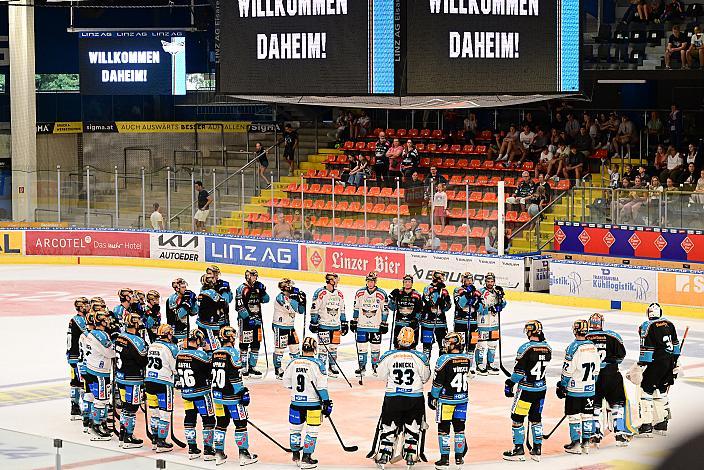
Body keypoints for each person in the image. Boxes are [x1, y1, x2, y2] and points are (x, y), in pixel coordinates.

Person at [375, 327, 431, 469]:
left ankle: (384, 453)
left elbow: (380, 375)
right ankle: (411, 454)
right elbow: (425, 377)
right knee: (413, 426)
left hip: (393, 397)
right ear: (413, 341)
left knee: (389, 426)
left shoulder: (388, 355)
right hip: (414, 397)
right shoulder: (420, 357)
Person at [503, 320, 552, 462]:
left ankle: (518, 449)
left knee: (517, 418)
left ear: (530, 332)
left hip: (526, 390)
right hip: (541, 389)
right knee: (536, 418)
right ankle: (537, 448)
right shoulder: (547, 348)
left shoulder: (525, 348)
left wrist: (510, 382)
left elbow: (518, 373)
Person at [630, 303, 680, 437]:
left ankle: (646, 425)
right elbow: (675, 345)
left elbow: (646, 348)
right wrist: (675, 362)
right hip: (669, 362)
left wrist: (641, 365)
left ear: (649, 313)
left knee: (645, 390)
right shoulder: (669, 324)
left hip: (655, 363)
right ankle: (661, 424)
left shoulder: (647, 325)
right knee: (661, 391)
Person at [282, 337, 332, 469]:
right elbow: (321, 387)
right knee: (312, 431)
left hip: (296, 403)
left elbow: (286, 383)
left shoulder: (293, 362)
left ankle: (296, 454)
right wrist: (327, 402)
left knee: (295, 430)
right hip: (313, 405)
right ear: (315, 349)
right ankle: (306, 457)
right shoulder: (318, 364)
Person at [212, 326, 257, 466]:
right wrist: (242, 391)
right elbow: (235, 376)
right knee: (240, 423)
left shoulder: (215, 353)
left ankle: (218, 453)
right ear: (231, 338)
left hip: (218, 396)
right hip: (232, 397)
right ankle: (244, 454)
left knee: (221, 423)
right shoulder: (233, 353)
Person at [585, 313, 630, 447]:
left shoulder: (585, 338)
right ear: (601, 324)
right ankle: (620, 433)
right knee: (617, 404)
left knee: (595, 406)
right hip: (611, 374)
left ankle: (595, 433)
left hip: (593, 377)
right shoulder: (613, 336)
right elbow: (621, 357)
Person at [556, 319, 600, 455]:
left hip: (575, 389)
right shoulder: (593, 346)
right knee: (587, 415)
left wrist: (562, 385)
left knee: (574, 416)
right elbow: (597, 370)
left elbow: (567, 370)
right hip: (589, 388)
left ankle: (576, 443)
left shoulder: (573, 347)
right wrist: (592, 384)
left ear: (575, 330)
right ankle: (586, 443)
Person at [429, 332, 471, 469]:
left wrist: (433, 396)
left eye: (448, 342)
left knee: (444, 429)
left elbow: (437, 384)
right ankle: (459, 459)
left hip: (446, 400)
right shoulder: (467, 358)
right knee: (459, 428)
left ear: (454, 344)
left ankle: (444, 459)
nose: (446, 345)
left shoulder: (443, 359)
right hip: (462, 399)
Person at [176, 330, 216, 461]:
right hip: (202, 393)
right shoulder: (200, 355)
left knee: (190, 418)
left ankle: (192, 448)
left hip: (187, 394)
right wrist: (210, 351)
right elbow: (211, 368)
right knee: (208, 420)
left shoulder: (180, 354)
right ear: (198, 340)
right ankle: (208, 450)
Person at [81, 304, 116, 441]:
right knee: (101, 400)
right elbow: (110, 352)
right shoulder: (100, 335)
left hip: (92, 368)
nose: (108, 321)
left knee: (99, 398)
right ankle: (95, 426)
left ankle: (99, 423)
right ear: (101, 321)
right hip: (99, 372)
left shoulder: (91, 334)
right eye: (106, 319)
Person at [115, 312, 149, 448]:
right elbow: (143, 360)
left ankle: (123, 435)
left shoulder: (120, 337)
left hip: (120, 377)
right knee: (132, 407)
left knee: (125, 406)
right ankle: (128, 437)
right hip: (132, 379)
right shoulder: (137, 341)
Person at [145, 324, 179, 452]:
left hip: (149, 381)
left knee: (154, 411)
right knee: (165, 412)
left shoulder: (152, 345)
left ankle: (154, 438)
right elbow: (175, 368)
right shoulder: (171, 348)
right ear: (168, 334)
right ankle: (161, 441)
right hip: (163, 382)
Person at [351, 271, 390, 376]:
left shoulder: (381, 293)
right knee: (361, 347)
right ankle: (362, 366)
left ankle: (375, 365)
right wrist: (354, 320)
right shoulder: (360, 292)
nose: (370, 283)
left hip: (376, 325)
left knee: (375, 347)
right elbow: (356, 307)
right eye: (368, 281)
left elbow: (385, 310)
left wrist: (384, 322)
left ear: (375, 281)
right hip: (362, 325)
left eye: (372, 281)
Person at [310, 273, 348, 377]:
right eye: (336, 280)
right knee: (323, 349)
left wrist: (344, 322)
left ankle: (332, 366)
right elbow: (314, 308)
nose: (337, 282)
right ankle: (321, 367)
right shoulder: (320, 293)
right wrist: (313, 322)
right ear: (331, 281)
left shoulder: (339, 294)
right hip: (323, 324)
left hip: (335, 325)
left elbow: (342, 309)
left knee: (333, 348)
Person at [236, 269, 270, 377]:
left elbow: (266, 300)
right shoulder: (242, 288)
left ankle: (252, 366)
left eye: (256, 276)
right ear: (247, 277)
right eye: (253, 276)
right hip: (245, 321)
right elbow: (239, 306)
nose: (255, 278)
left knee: (256, 344)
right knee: (244, 344)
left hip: (257, 321)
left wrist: (263, 291)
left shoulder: (257, 287)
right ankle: (243, 367)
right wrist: (247, 318)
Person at [272, 278, 305, 379]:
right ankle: (278, 369)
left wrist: (303, 301)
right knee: (280, 350)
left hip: (290, 326)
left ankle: (296, 368)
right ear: (286, 287)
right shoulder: (280, 298)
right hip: (280, 326)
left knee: (295, 348)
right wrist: (296, 299)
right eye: (291, 285)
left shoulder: (291, 297)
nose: (293, 287)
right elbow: (293, 309)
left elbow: (300, 311)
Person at [476, 273, 506, 375]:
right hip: (482, 322)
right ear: (485, 281)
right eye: (488, 281)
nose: (490, 283)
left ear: (494, 282)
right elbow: (477, 306)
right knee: (481, 344)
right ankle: (479, 364)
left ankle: (490, 363)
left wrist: (501, 300)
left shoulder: (497, 291)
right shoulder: (480, 291)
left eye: (491, 281)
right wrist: (488, 308)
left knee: (492, 344)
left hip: (494, 322)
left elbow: (503, 304)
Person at [420, 271, 452, 360]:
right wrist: (435, 297)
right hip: (428, 322)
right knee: (427, 346)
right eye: (441, 278)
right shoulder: (427, 288)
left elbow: (448, 306)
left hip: (441, 322)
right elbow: (427, 301)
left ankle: (441, 367)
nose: (443, 280)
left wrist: (443, 304)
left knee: (443, 346)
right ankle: (425, 366)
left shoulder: (444, 291)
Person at [452, 273, 481, 370]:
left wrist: (476, 303)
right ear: (462, 280)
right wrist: (468, 295)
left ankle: (470, 366)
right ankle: (460, 364)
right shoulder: (457, 290)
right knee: (460, 344)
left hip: (473, 323)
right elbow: (459, 304)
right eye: (466, 279)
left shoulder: (477, 292)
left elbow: (482, 309)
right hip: (460, 322)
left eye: (470, 279)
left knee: (472, 345)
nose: (469, 281)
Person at [67, 297, 89, 421]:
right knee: (81, 382)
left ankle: (74, 407)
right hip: (77, 355)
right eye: (86, 305)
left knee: (75, 381)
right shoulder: (79, 320)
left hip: (72, 355)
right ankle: (83, 409)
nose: (88, 307)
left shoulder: (73, 320)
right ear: (80, 307)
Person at [389, 274, 423, 349]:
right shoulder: (398, 293)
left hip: (412, 325)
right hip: (399, 323)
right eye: (406, 281)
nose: (407, 283)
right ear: (403, 283)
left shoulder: (417, 295)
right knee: (397, 346)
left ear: (412, 283)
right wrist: (392, 298)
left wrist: (416, 319)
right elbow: (392, 308)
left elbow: (420, 310)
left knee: (412, 346)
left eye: (409, 281)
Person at [166, 278, 198, 342]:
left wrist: (193, 301)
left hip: (185, 330)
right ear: (177, 289)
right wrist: (186, 304)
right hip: (175, 331)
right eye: (183, 287)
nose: (185, 289)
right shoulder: (172, 299)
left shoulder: (186, 297)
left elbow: (194, 312)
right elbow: (178, 316)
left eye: (185, 287)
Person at [197, 273, 223, 350]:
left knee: (205, 344)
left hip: (201, 322)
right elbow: (223, 303)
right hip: (210, 324)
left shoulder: (201, 292)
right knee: (213, 346)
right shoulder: (211, 292)